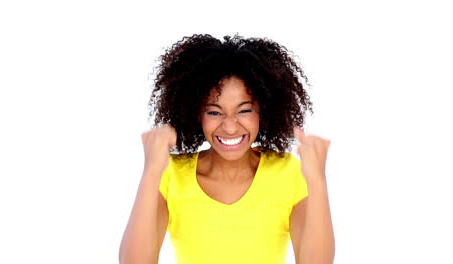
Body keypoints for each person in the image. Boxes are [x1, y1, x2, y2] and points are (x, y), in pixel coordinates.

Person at [119, 34, 335, 264]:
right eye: (214, 112)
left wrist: (318, 181)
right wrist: (151, 170)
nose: (230, 127)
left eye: (244, 110)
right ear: (195, 113)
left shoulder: (289, 173)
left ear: (264, 110)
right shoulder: (171, 174)